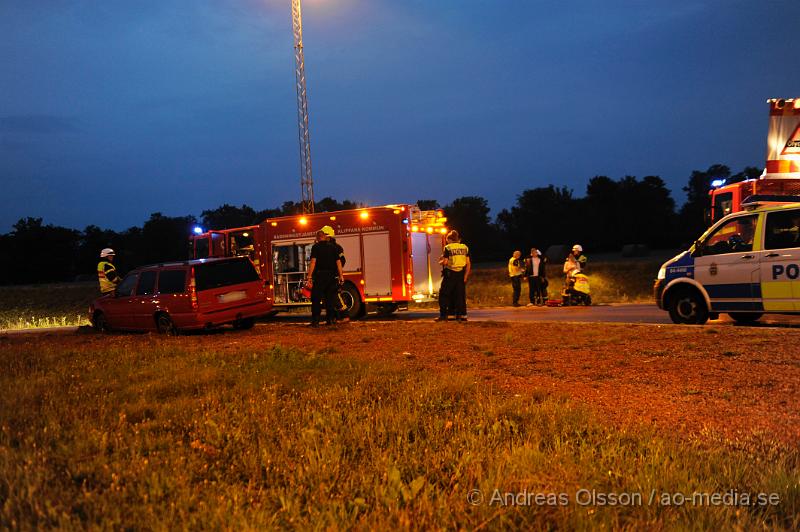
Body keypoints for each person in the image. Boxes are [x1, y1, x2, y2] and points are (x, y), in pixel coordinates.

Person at [306, 225, 344, 327]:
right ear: (324, 237)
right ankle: (330, 320)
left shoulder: (316, 247)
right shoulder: (333, 247)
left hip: (320, 276)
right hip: (331, 277)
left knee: (316, 299)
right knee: (330, 299)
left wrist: (309, 277)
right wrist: (341, 276)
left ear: (318, 238)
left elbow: (313, 262)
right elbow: (338, 262)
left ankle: (316, 321)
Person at [436, 230, 471, 322]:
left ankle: (443, 316)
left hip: (450, 274)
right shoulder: (465, 247)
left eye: (447, 240)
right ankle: (460, 316)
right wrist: (465, 277)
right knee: (459, 295)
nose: (447, 242)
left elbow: (446, 262)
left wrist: (440, 261)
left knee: (444, 294)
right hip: (461, 274)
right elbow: (468, 263)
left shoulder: (448, 247)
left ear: (450, 239)